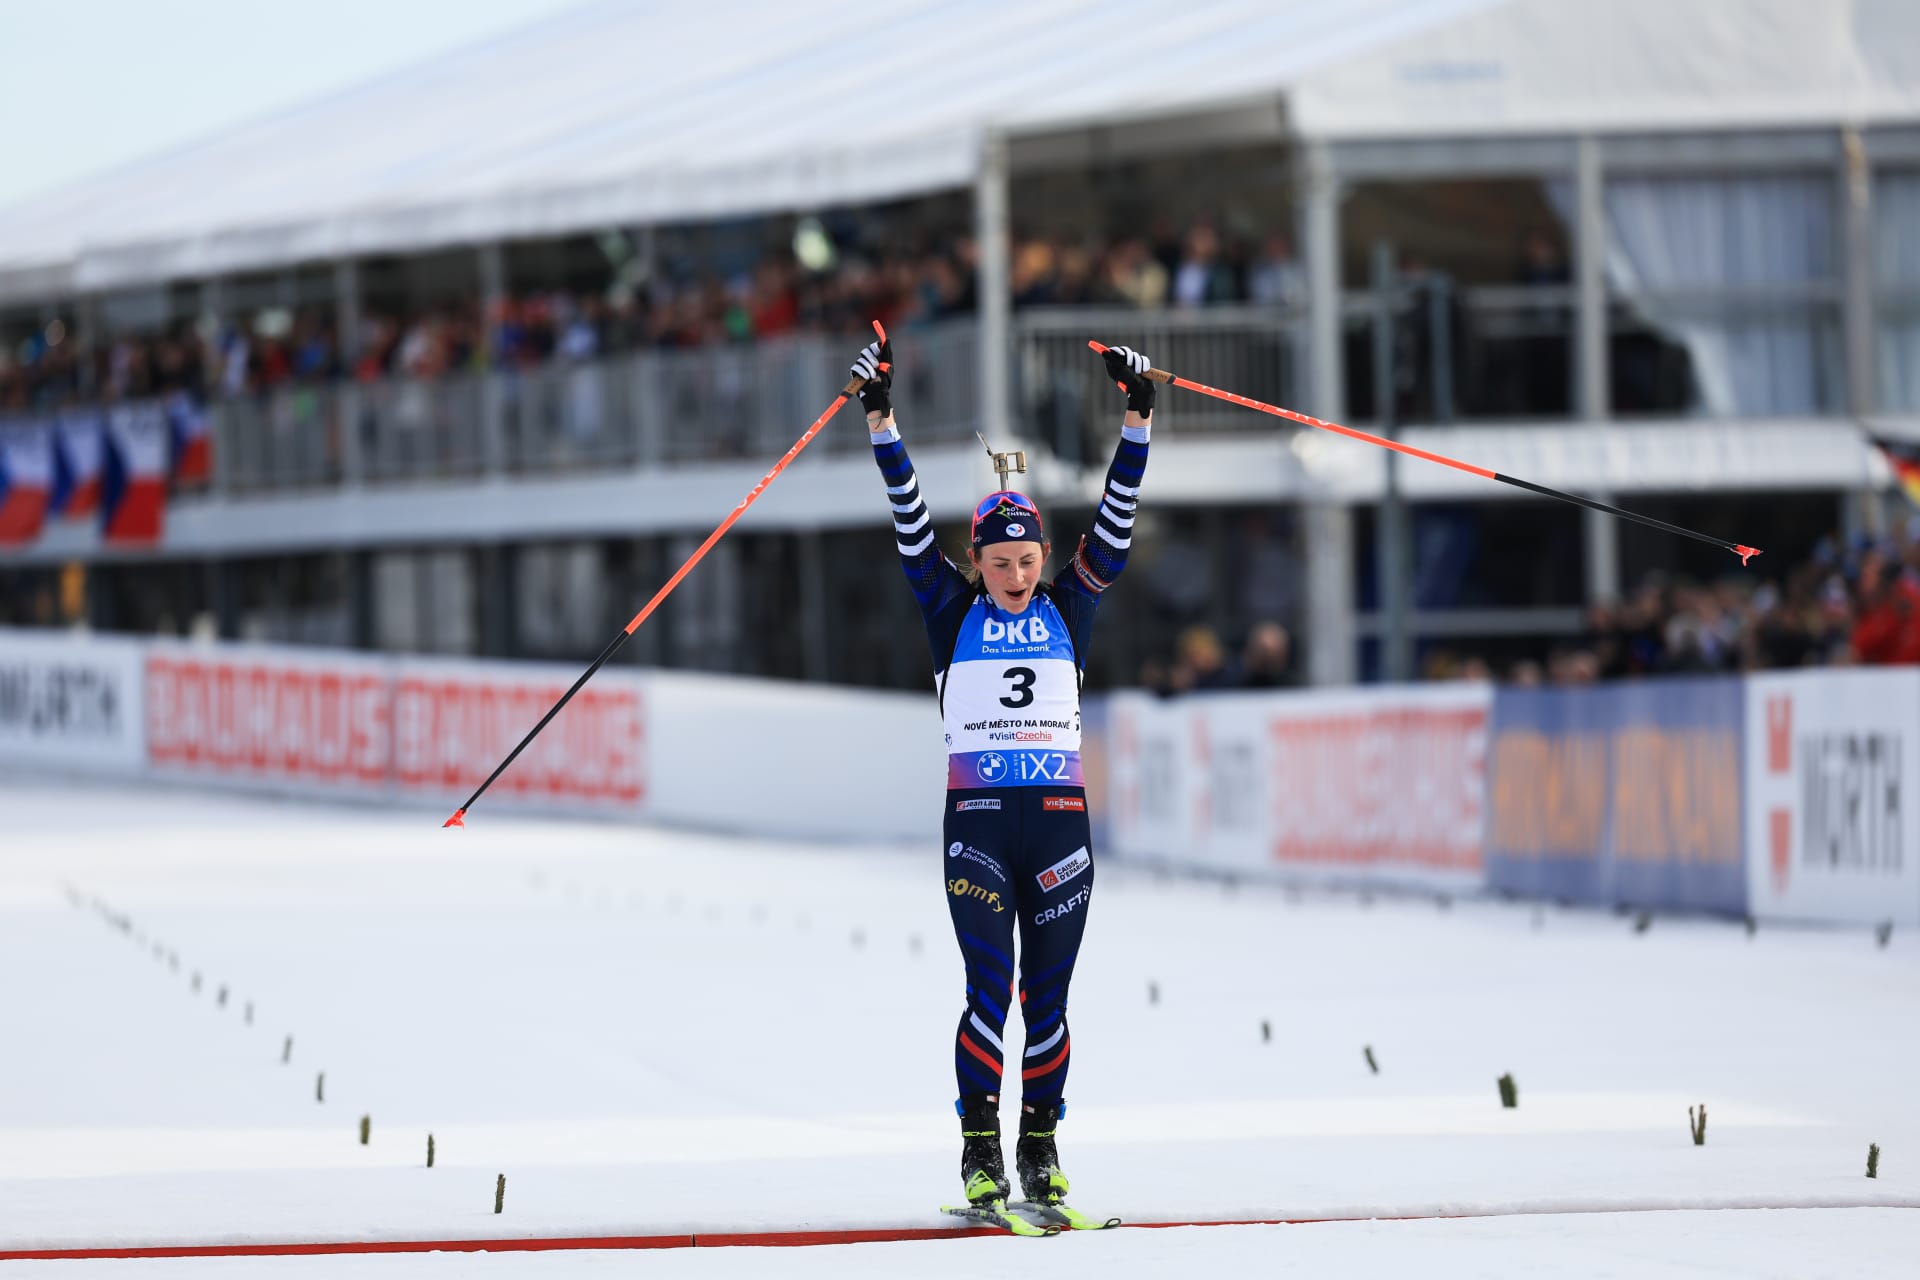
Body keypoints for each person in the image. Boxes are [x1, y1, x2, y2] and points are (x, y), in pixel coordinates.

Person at [853, 331, 1155, 1216]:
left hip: (1061, 828)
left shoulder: (1074, 602)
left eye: (1029, 562)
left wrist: (1137, 415)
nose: (1019, 577)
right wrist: (881, 417)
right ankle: (979, 1155)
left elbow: (1118, 517)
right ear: (976, 561)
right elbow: (908, 515)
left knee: (1049, 1001)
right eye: (1000, 563)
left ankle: (1042, 1152)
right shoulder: (948, 608)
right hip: (979, 827)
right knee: (989, 993)